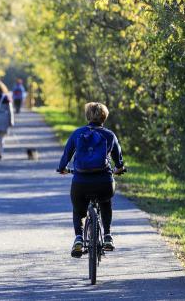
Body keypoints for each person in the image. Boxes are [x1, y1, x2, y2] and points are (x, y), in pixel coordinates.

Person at [56, 102, 125, 257]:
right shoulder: (109, 135)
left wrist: (62, 168)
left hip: (81, 183)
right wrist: (119, 168)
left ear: (87, 116)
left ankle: (79, 238)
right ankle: (107, 236)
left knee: (78, 209)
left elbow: (66, 156)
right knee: (105, 202)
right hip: (104, 182)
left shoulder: (77, 133)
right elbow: (119, 161)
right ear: (104, 117)